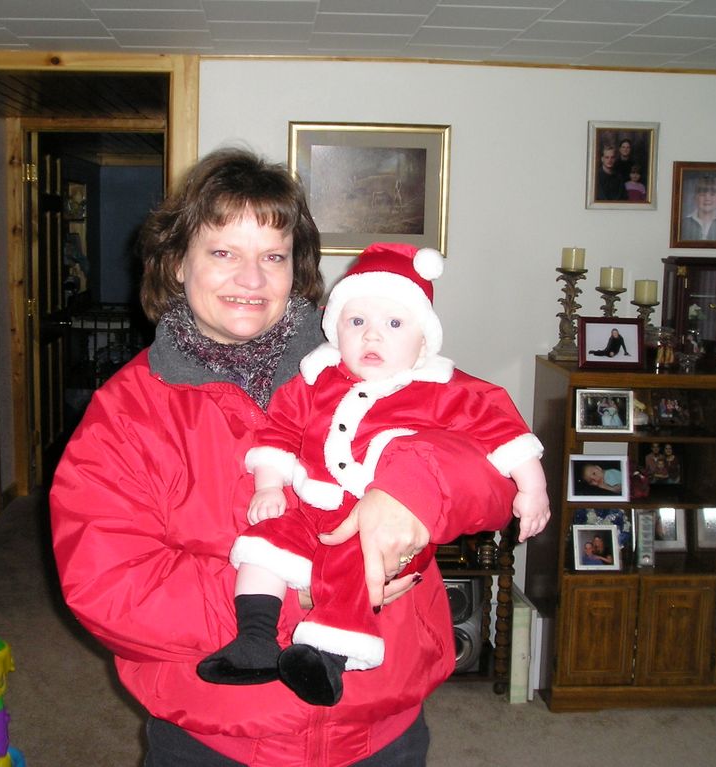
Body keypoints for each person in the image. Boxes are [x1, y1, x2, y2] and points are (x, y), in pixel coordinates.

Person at [49, 147, 529, 767]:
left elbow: (492, 471)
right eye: (223, 253)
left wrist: (414, 486)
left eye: (273, 256)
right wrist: (298, 591)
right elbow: (108, 586)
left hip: (380, 726)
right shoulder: (128, 411)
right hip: (216, 736)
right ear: (174, 265)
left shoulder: (372, 367)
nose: (252, 280)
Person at [197, 243, 548, 707]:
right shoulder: (315, 379)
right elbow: (279, 427)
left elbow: (501, 429)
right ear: (334, 327)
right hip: (309, 507)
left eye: (394, 324)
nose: (372, 337)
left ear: (424, 339)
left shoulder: (443, 388)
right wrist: (269, 483)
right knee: (265, 542)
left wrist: (533, 486)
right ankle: (255, 639)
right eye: (356, 322)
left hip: (380, 530)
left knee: (353, 572)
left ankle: (327, 659)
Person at [679, 175, 716, 241]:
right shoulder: (682, 225)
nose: (707, 199)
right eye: (702, 195)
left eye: (712, 194)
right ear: (695, 198)